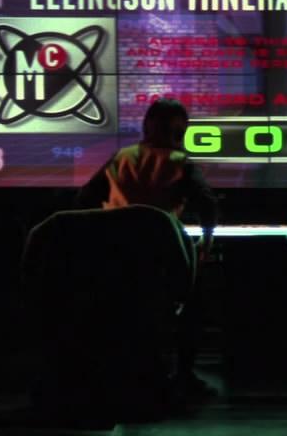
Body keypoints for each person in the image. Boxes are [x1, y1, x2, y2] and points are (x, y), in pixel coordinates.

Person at [76, 98, 217, 400]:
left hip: (113, 261)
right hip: (162, 263)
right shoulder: (180, 162)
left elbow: (84, 199)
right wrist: (206, 241)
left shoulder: (121, 157)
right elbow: (207, 205)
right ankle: (185, 375)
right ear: (181, 131)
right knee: (195, 300)